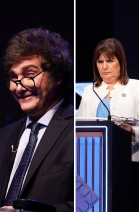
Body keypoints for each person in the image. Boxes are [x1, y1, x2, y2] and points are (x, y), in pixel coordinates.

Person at [0, 28, 73, 211]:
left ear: (57, 75)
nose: (19, 87)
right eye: (13, 77)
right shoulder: (3, 136)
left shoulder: (83, 133)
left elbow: (93, 204)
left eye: (29, 74)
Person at [76, 38, 139, 212]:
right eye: (100, 61)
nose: (104, 66)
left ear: (121, 62)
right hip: (96, 164)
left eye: (110, 61)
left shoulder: (138, 87)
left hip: (133, 164)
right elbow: (80, 127)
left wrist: (131, 131)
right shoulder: (90, 90)